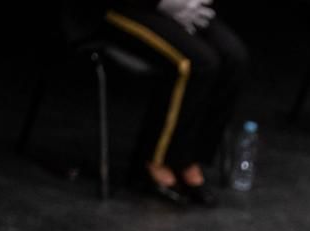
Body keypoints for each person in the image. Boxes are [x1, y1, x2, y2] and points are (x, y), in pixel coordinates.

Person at [103, 0, 248, 206]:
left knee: (234, 58)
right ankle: (154, 160)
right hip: (126, 7)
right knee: (198, 63)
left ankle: (188, 157)